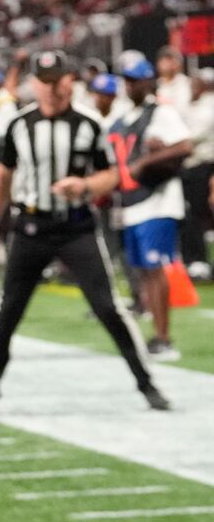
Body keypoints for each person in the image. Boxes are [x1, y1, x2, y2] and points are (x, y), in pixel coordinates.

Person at [0, 50, 170, 418]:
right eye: (43, 82)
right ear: (33, 84)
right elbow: (3, 176)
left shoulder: (89, 123)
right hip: (30, 225)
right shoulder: (19, 124)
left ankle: (146, 382)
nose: (51, 90)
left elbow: (110, 175)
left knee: (108, 307)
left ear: (69, 82)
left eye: (57, 81)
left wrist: (84, 185)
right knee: (7, 310)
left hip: (76, 225)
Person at [108, 50, 193, 361]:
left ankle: (164, 338)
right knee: (143, 271)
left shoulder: (161, 112)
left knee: (155, 270)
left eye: (135, 80)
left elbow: (184, 145)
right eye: (126, 80)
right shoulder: (123, 116)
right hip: (132, 202)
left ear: (147, 81)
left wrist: (146, 161)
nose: (130, 86)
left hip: (158, 200)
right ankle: (155, 335)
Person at [177, 68, 214, 279]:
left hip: (204, 167)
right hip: (190, 167)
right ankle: (193, 259)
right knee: (191, 214)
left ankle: (199, 261)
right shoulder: (191, 105)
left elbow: (190, 138)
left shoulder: (209, 107)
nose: (192, 86)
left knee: (197, 215)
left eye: (197, 83)